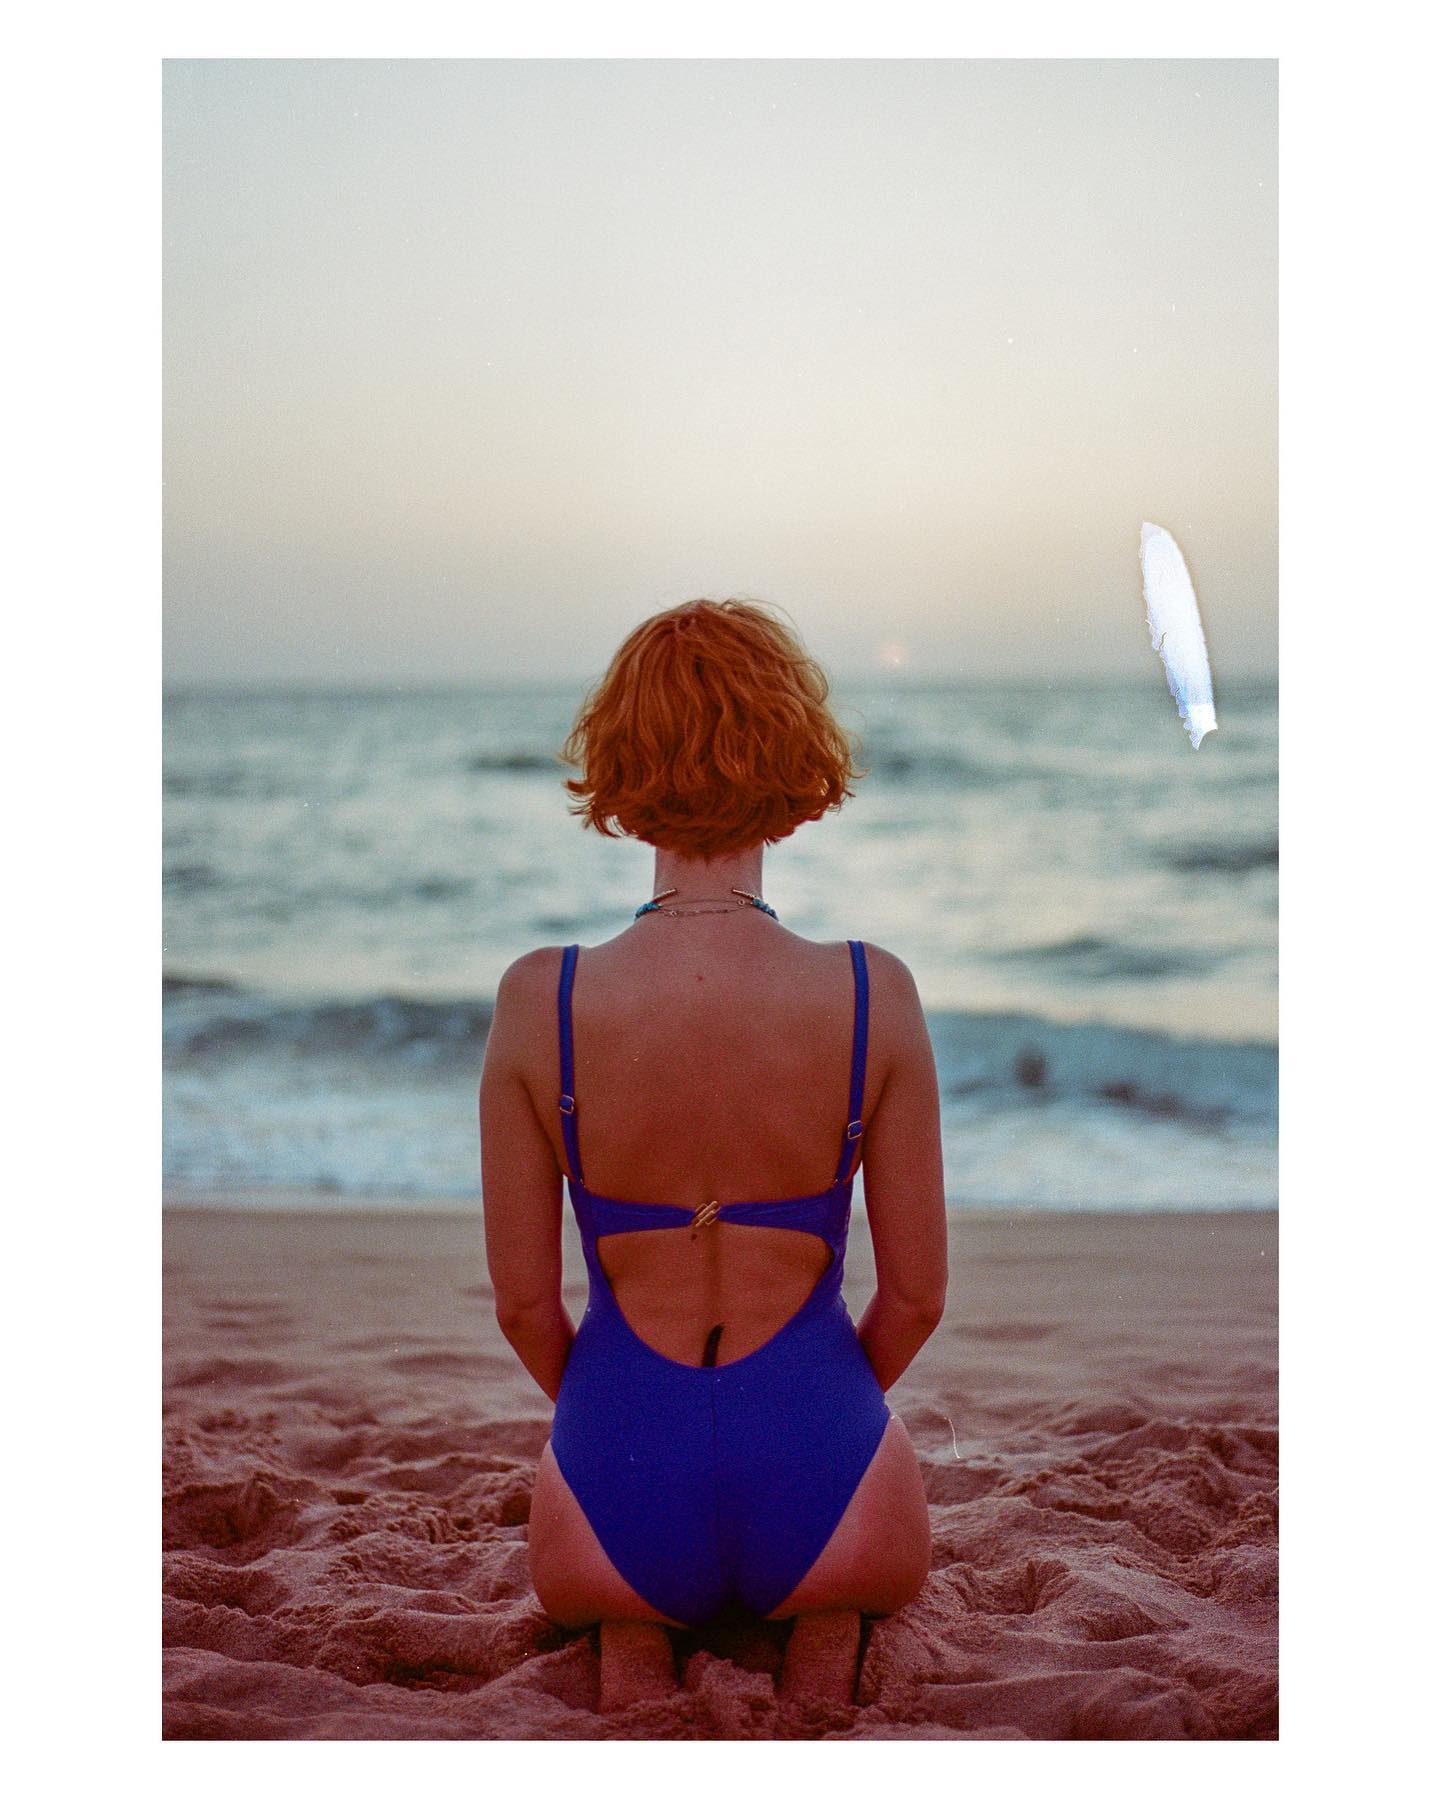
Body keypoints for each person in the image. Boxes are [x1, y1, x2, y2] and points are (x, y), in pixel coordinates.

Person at [479, 598, 948, 1713]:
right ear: (794, 750)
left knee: (621, 1589)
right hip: (828, 1484)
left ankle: (635, 1633)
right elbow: (918, 1297)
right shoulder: (870, 990)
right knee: (839, 1576)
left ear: (621, 757)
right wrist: (805, 1407)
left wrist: (631, 1417)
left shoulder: (542, 998)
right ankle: (823, 1624)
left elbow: (525, 1307)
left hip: (616, 1491)